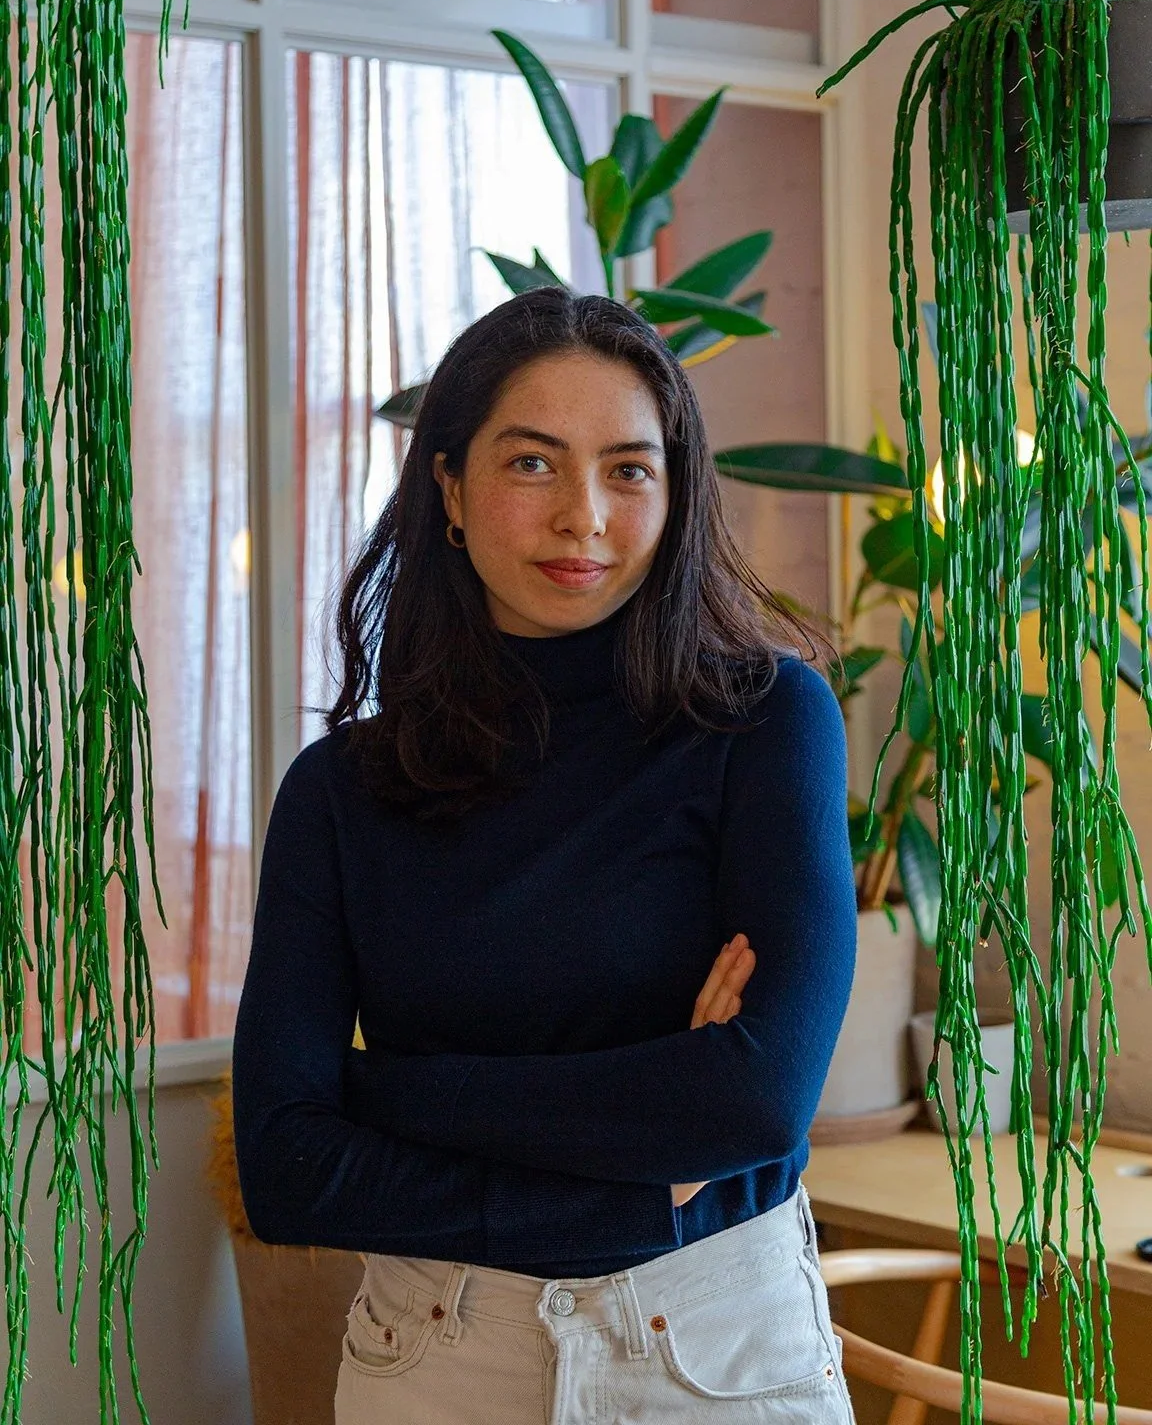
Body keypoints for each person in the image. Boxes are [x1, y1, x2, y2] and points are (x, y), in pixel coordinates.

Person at [232, 286, 859, 1424]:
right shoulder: (340, 793)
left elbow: (758, 1102)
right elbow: (286, 1170)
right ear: (452, 490)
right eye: (533, 464)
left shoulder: (765, 724)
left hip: (711, 1357)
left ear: (674, 491)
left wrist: (392, 1093)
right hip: (433, 1355)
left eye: (629, 469)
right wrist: (634, 1185)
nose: (586, 516)